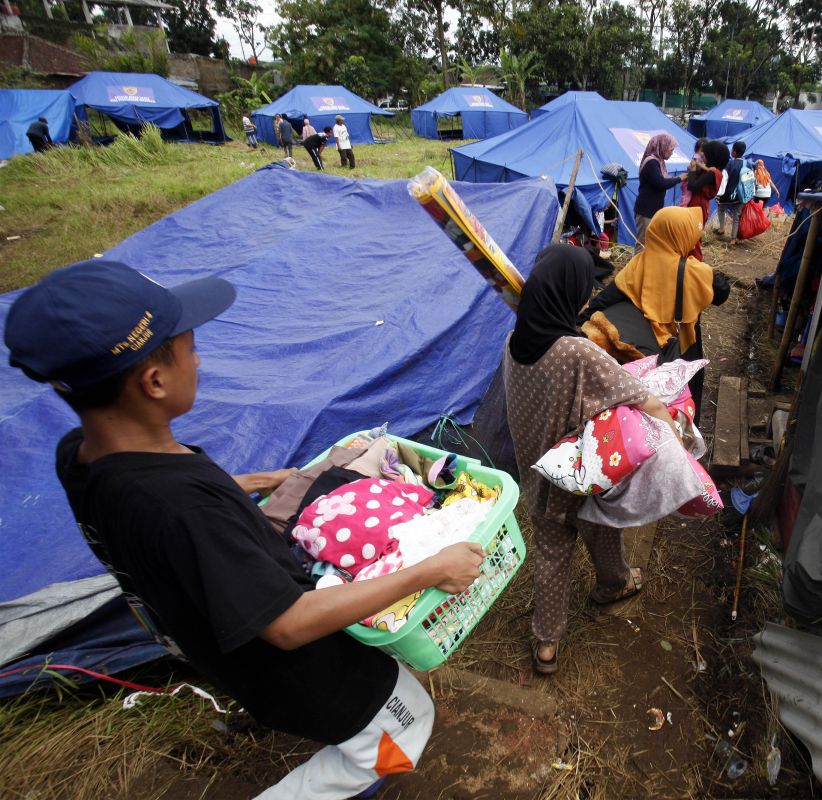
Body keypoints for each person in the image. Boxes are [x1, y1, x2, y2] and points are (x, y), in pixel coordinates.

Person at [3, 259, 486, 800]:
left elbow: (177, 498)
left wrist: (262, 480)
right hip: (298, 668)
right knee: (403, 727)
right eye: (189, 348)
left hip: (212, 644)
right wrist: (428, 569)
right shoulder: (182, 509)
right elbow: (287, 625)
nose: (199, 357)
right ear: (154, 380)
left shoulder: (83, 455)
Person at [504, 245, 677, 676]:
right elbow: (643, 399)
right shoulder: (575, 353)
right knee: (599, 526)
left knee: (550, 551)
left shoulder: (515, 340)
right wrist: (679, 436)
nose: (586, 300)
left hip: (536, 470)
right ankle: (613, 584)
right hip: (579, 470)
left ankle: (546, 644)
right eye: (582, 291)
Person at [585, 206, 729, 406]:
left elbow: (606, 298)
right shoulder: (696, 271)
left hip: (645, 353)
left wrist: (577, 320)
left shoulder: (638, 264)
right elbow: (722, 293)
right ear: (679, 235)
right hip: (682, 346)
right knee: (685, 395)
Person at [633, 134, 683, 251]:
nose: (672, 153)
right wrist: (679, 178)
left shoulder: (659, 162)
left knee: (650, 244)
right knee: (642, 244)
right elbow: (660, 183)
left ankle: (647, 268)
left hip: (653, 209)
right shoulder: (651, 163)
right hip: (646, 210)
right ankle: (637, 269)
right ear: (663, 146)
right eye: (671, 150)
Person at [685, 140, 729, 260]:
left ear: (713, 156)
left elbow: (692, 186)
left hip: (698, 206)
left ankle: (696, 264)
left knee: (693, 239)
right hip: (697, 204)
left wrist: (693, 170)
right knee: (689, 236)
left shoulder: (713, 173)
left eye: (705, 154)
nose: (702, 156)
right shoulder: (711, 170)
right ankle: (688, 264)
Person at [715, 140, 748, 241]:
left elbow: (724, 180)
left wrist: (718, 195)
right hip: (741, 195)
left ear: (734, 152)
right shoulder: (748, 164)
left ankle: (721, 228)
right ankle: (733, 239)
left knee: (721, 208)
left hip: (728, 194)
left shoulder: (729, 164)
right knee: (736, 216)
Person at [679, 138, 707, 207]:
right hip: (688, 181)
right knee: (686, 196)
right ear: (697, 150)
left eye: (704, 151)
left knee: (687, 196)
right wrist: (706, 168)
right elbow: (695, 163)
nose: (702, 153)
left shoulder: (701, 157)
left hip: (691, 179)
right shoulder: (697, 156)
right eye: (701, 151)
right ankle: (682, 207)